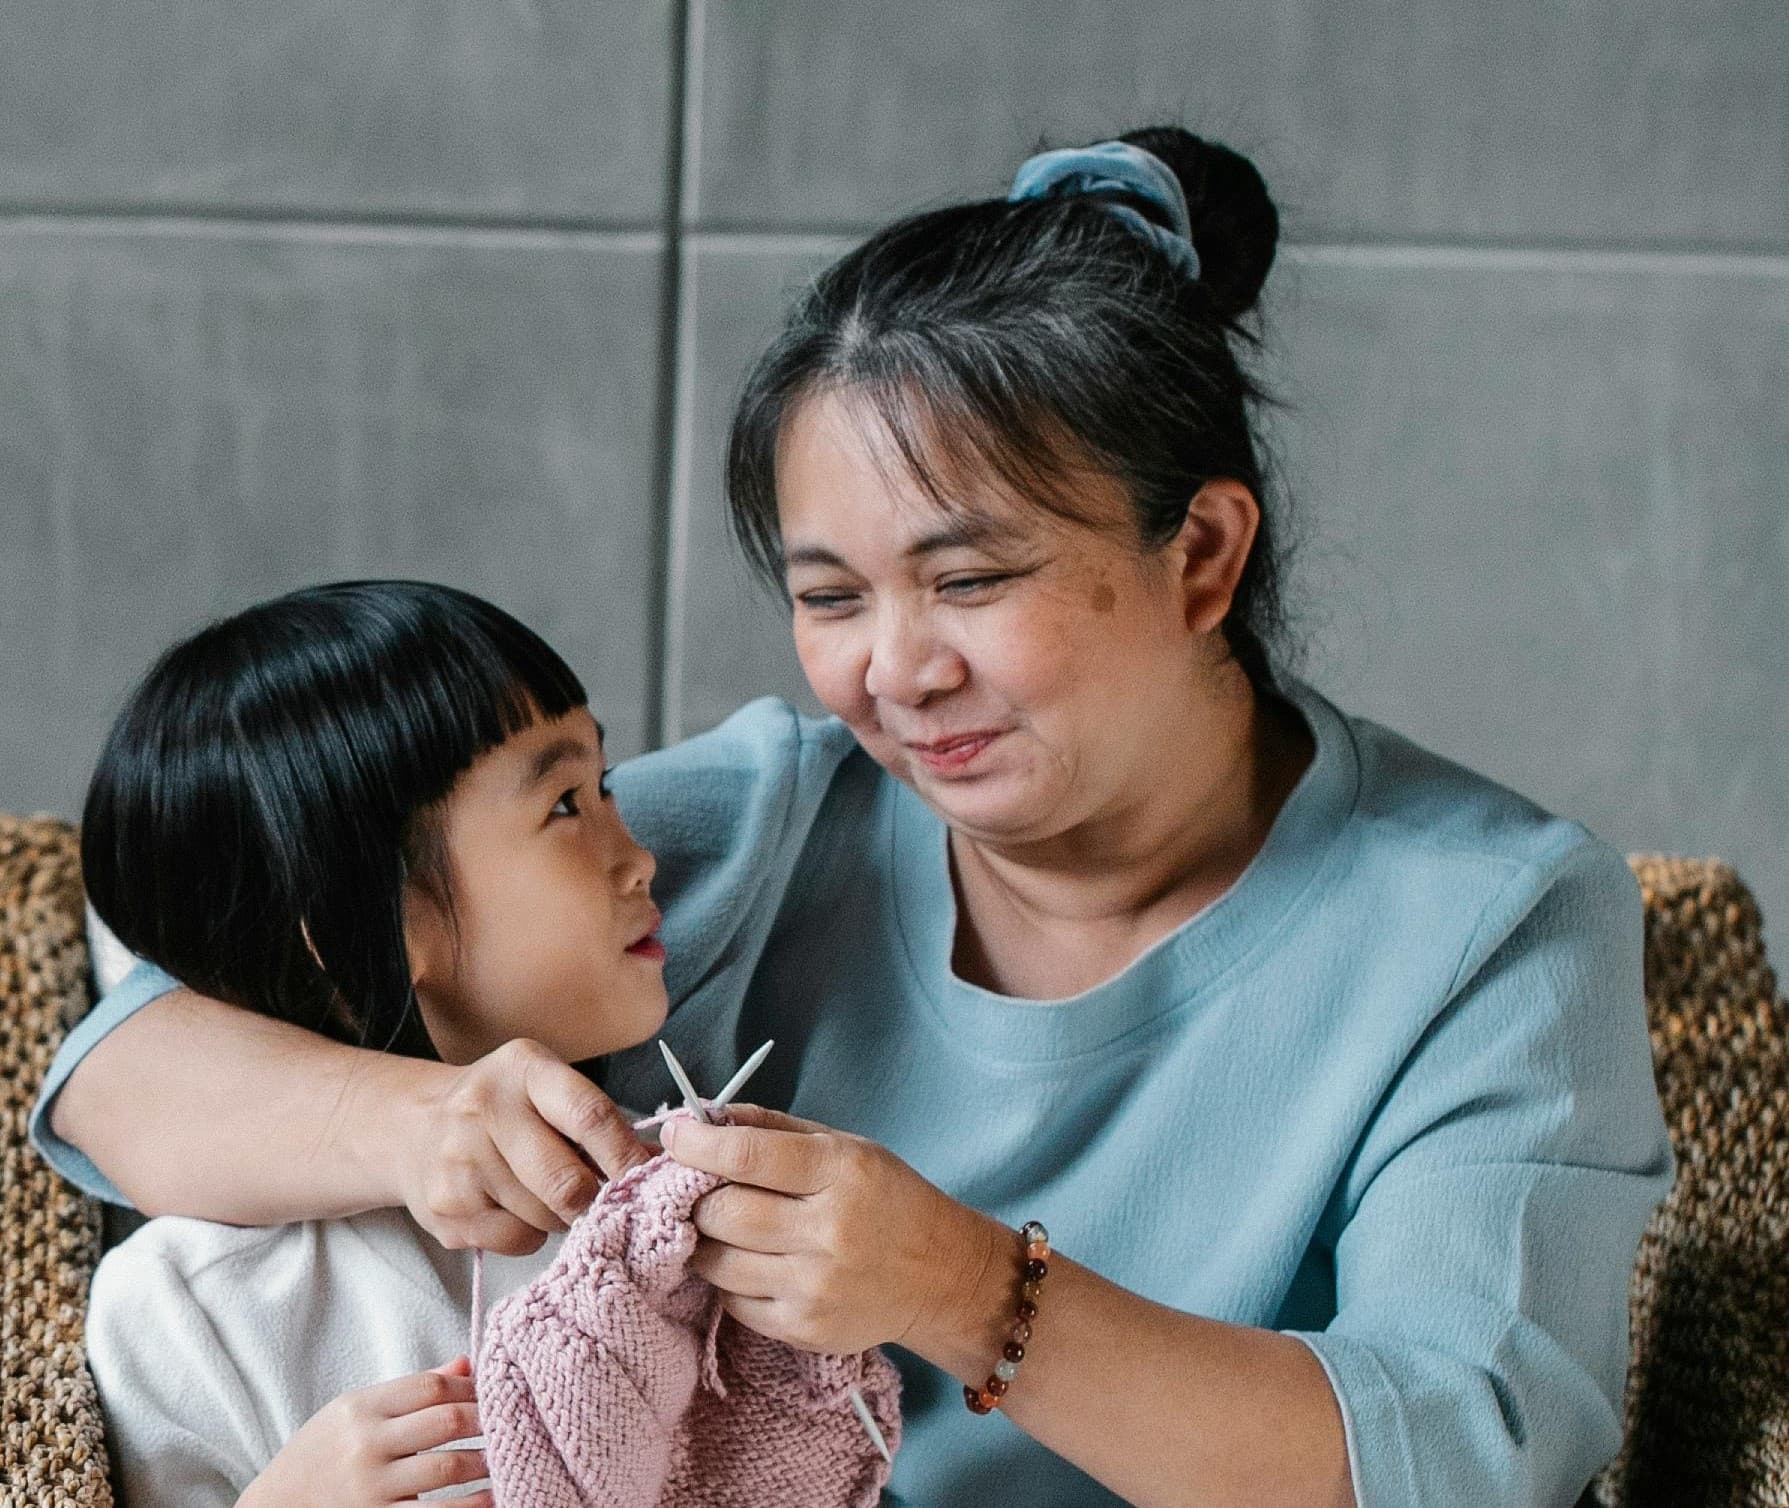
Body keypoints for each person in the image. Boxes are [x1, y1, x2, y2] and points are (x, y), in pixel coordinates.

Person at [35, 127, 1673, 1507]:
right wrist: (411, 1122)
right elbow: (132, 1060)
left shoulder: (1489, 918)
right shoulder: (764, 817)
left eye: (969, 578)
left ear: (1200, 555)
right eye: (830, 596)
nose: (894, 672)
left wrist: (972, 1292)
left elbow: (1473, 1444)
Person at [65, 580, 675, 1508]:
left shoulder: (675, 1202)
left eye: (606, 788)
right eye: (563, 806)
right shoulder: (191, 1311)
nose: (641, 856)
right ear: (367, 928)